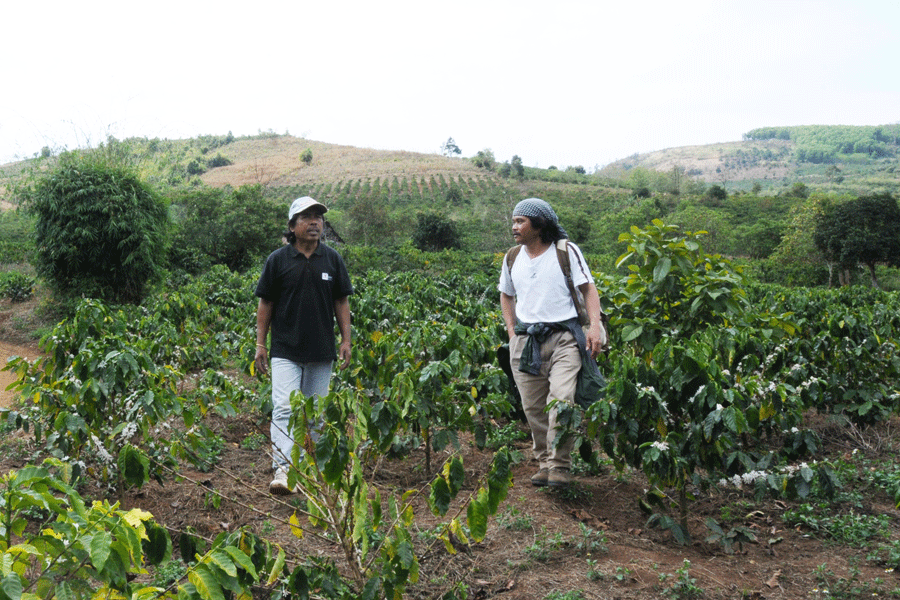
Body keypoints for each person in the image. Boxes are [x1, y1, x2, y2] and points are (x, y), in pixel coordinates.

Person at [498, 198, 606, 488]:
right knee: (532, 407)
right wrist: (511, 332)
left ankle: (560, 465)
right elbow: (506, 294)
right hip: (525, 340)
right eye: (514, 220)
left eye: (521, 221)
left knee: (561, 400)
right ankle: (544, 462)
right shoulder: (512, 257)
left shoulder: (565, 252)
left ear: (539, 224)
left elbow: (588, 288)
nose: (514, 227)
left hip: (565, 338)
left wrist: (594, 327)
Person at [254, 196, 353, 495]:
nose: (315, 222)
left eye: (318, 217)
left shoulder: (332, 259)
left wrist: (346, 339)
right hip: (285, 349)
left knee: (315, 413)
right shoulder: (278, 260)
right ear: (292, 226)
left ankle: (309, 469)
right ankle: (283, 469)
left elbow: (341, 300)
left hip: (321, 352)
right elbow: (266, 303)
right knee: (284, 408)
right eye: (307, 217)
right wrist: (261, 344)